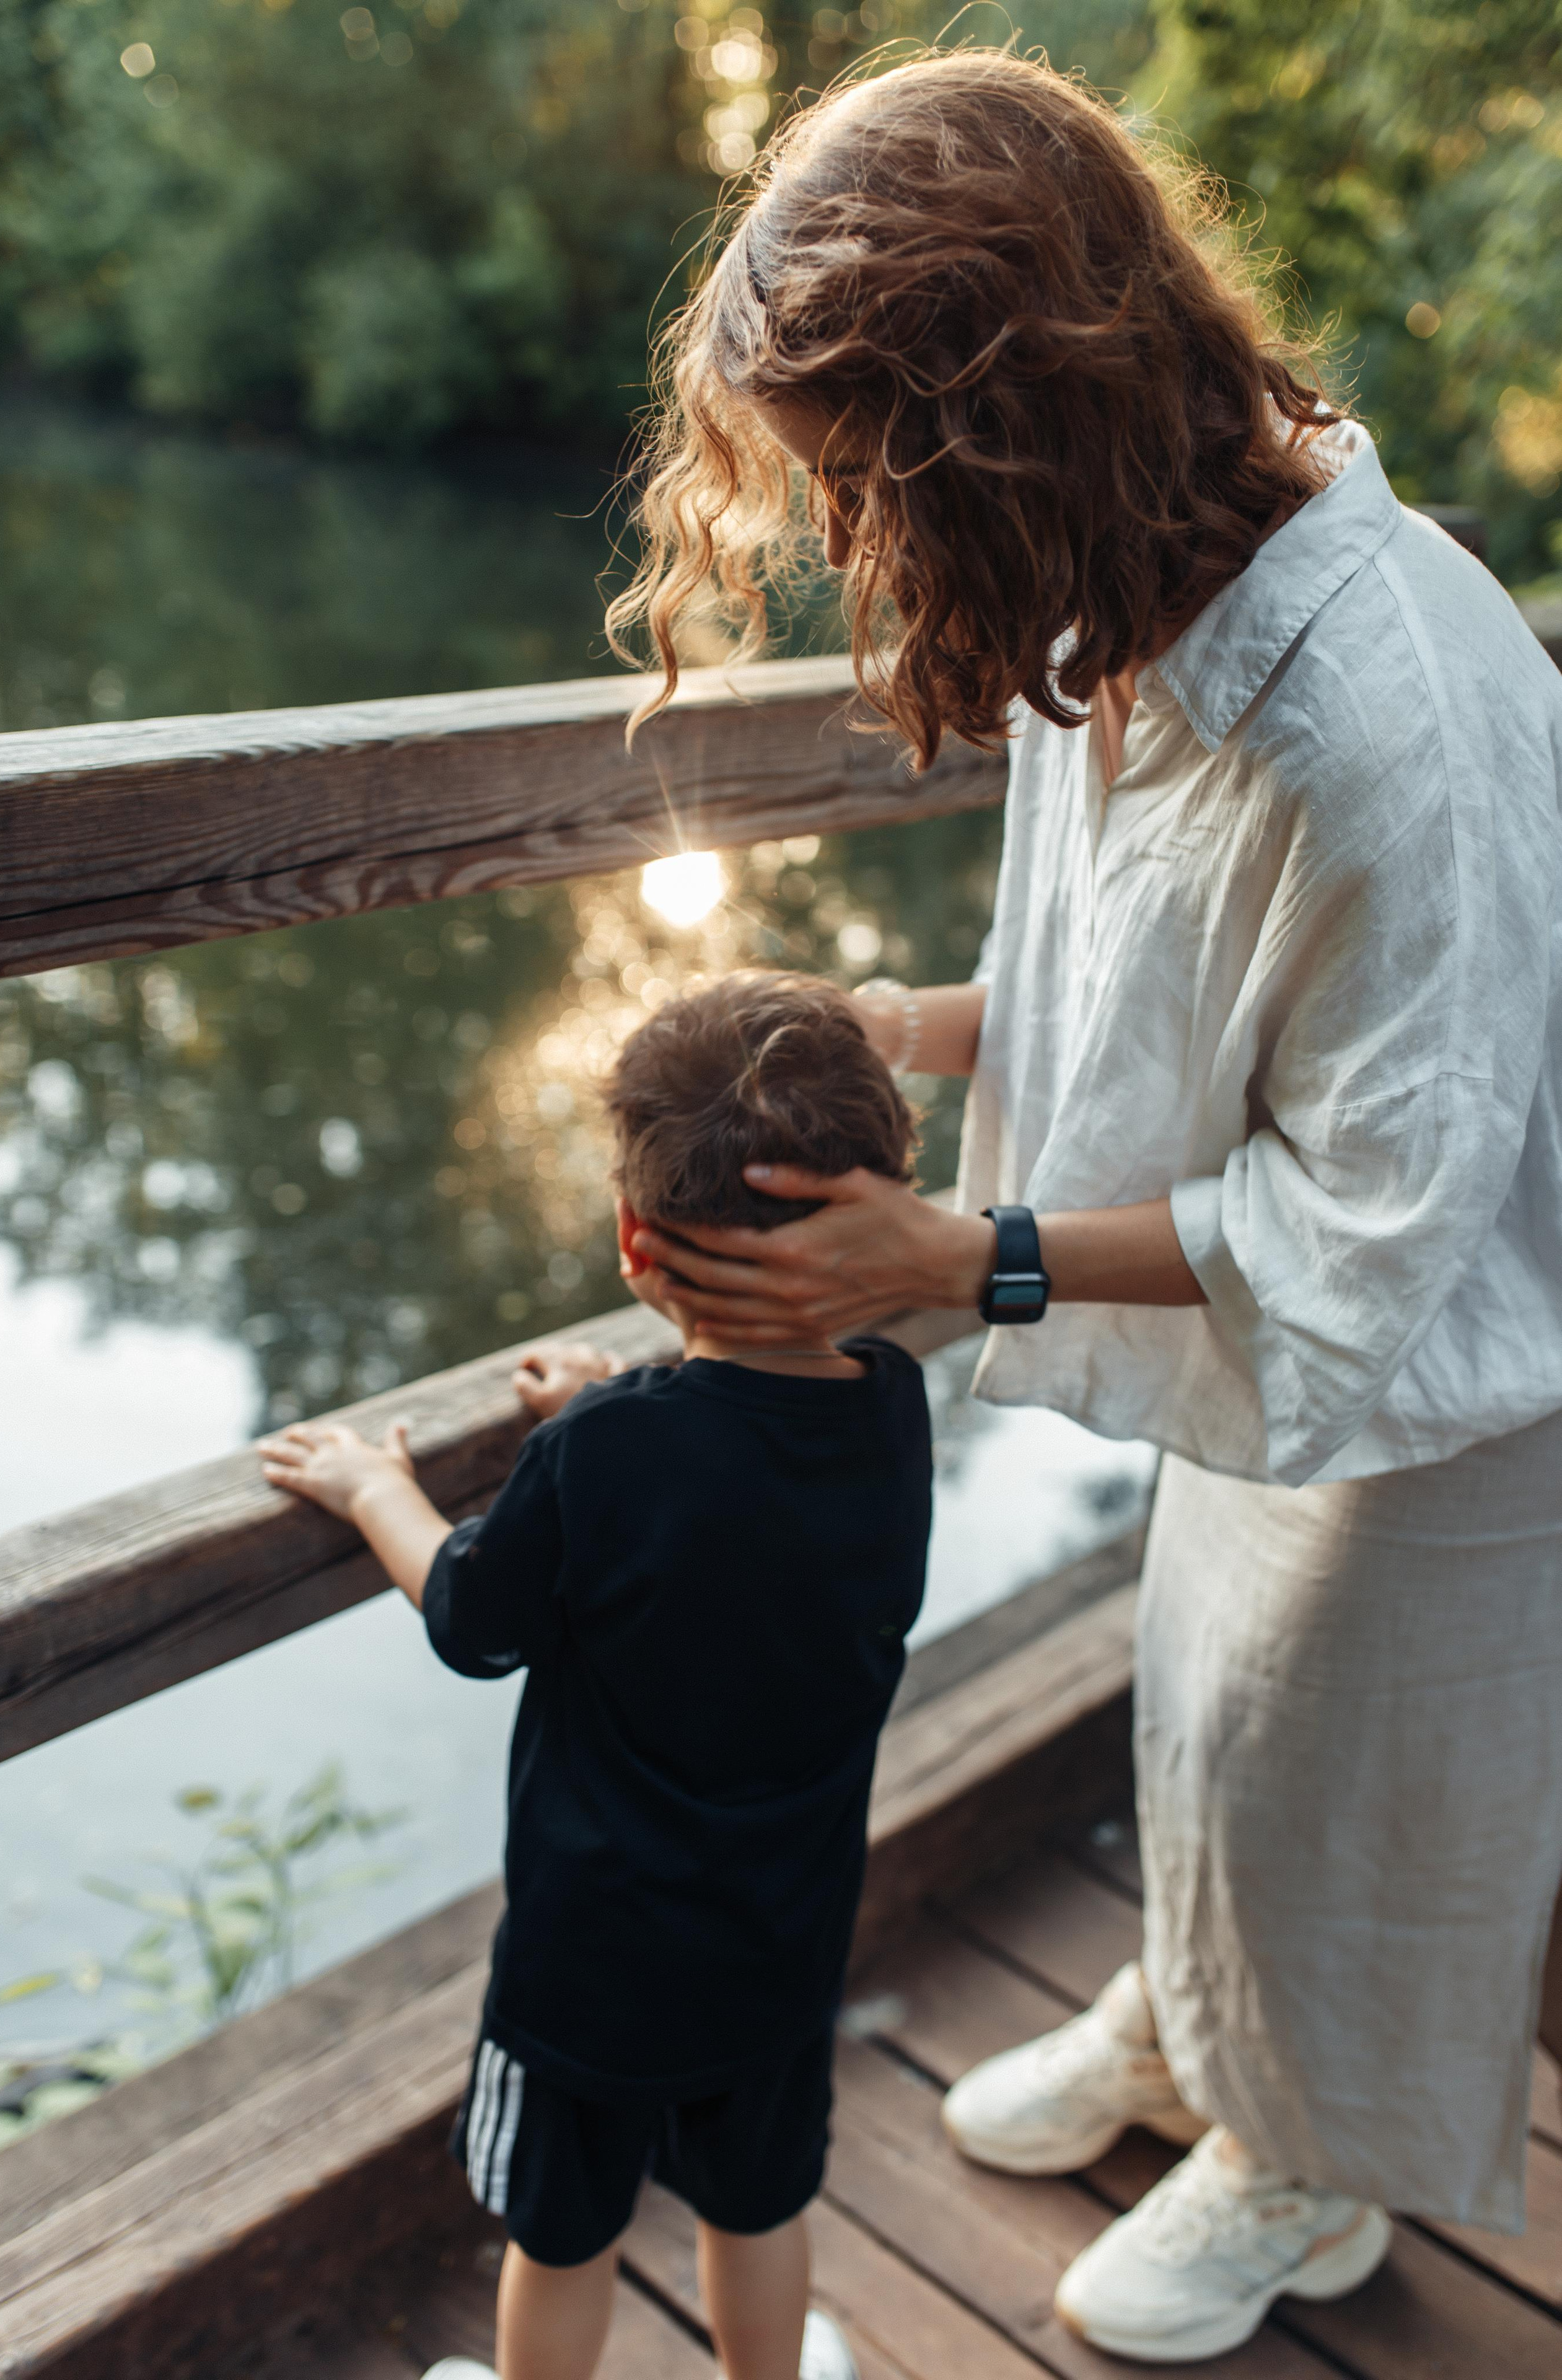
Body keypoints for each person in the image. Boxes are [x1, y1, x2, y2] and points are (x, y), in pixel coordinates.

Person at [605, 46, 1562, 2368]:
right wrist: (905, 1022)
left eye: (863, 480)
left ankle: (1309, 2163)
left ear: (1006, 417)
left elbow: (1374, 1218)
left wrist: (970, 1257)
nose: (853, 533)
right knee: (1216, 1708)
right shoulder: (1145, 594)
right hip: (1291, 1302)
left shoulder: (1369, 711)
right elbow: (1153, 974)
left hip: (1460, 1363)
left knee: (1360, 1755)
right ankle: (1202, 2029)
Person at [257, 972, 933, 2380]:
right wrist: (613, 1413)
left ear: (635, 1239)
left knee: (559, 2237)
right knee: (758, 2208)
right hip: (779, 1947)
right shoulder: (889, 1408)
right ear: (877, 1213)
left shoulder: (606, 1456)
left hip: (589, 1975)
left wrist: (375, 1487)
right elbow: (742, 1486)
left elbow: (473, 1619)